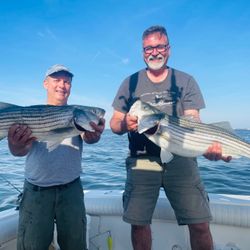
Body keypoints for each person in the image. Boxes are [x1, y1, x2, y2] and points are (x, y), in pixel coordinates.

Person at [110, 25, 231, 250]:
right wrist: (125, 123)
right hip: (142, 160)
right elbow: (114, 123)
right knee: (138, 224)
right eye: (148, 48)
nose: (154, 52)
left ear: (169, 49)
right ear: (142, 52)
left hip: (181, 158)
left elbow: (193, 120)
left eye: (159, 46)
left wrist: (209, 147)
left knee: (200, 224)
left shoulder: (186, 80)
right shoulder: (130, 82)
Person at [8, 64, 105, 250]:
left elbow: (89, 139)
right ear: (45, 83)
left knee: (75, 246)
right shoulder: (31, 114)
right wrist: (15, 144)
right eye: (57, 80)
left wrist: (94, 136)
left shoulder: (77, 118)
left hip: (71, 190)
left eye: (67, 81)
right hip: (36, 191)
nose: (62, 85)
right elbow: (18, 152)